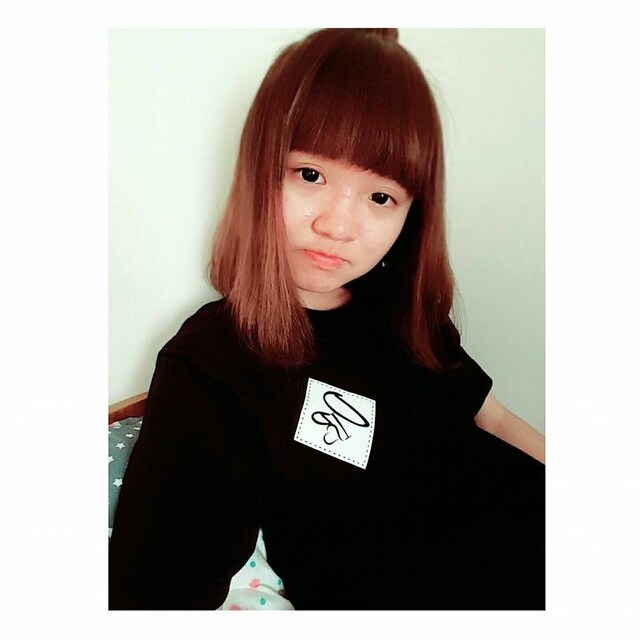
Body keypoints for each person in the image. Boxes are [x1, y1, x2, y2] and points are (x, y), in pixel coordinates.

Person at [109, 28, 545, 611]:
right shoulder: (211, 363)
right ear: (261, 170)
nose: (338, 226)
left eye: (381, 197)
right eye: (311, 175)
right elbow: (157, 593)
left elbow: (492, 417)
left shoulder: (400, 308)